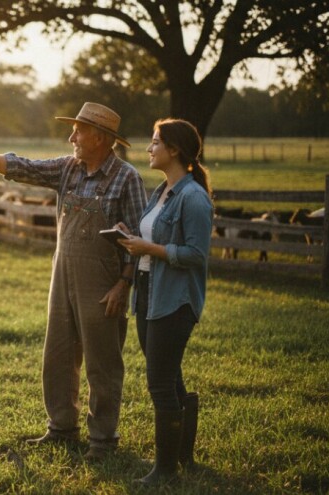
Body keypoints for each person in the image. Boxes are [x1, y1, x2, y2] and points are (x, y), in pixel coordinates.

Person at [0, 102, 147, 461]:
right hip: (63, 274)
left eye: (79, 131)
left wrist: (123, 284)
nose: (72, 137)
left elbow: (135, 235)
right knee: (57, 356)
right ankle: (62, 428)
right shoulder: (68, 168)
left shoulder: (126, 178)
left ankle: (102, 440)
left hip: (103, 283)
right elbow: (22, 166)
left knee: (103, 363)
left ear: (100, 138)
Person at [114, 118, 213, 484]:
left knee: (159, 383)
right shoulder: (161, 193)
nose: (149, 148)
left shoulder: (194, 197)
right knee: (169, 378)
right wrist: (129, 237)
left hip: (174, 300)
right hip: (147, 294)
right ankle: (183, 457)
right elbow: (153, 236)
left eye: (155, 142)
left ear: (174, 150)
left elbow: (196, 254)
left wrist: (150, 248)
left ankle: (165, 469)